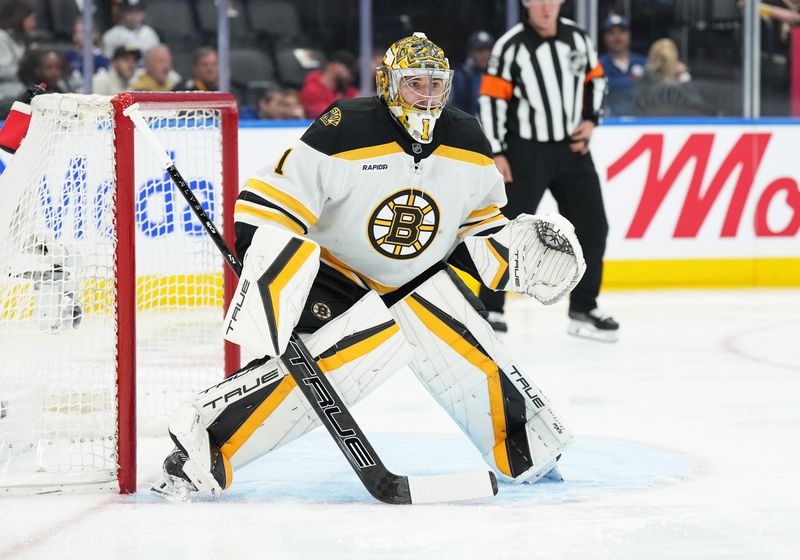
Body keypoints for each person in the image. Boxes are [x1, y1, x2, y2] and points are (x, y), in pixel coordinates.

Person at [152, 32, 581, 499]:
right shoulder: (344, 128)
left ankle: (523, 446)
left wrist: (514, 251)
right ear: (389, 85)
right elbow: (269, 205)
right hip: (335, 276)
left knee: (460, 333)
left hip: (414, 276)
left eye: (437, 85)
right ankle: (206, 445)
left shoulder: (467, 139)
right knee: (356, 354)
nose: (427, 96)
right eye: (415, 83)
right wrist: (273, 270)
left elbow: (478, 222)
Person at [478, 0, 619, 341]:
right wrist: (497, 151)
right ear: (526, 3)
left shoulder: (578, 39)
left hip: (572, 148)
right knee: (508, 230)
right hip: (525, 150)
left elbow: (596, 80)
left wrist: (591, 120)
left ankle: (584, 309)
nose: (545, 6)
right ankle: (491, 309)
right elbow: (492, 99)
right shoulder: (510, 45)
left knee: (593, 225)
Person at [632, 38, 709, 116]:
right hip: (650, 122)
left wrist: (684, 78)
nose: (664, 64)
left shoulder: (681, 81)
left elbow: (698, 105)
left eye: (667, 60)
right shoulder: (644, 81)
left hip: (677, 122)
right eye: (661, 60)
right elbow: (635, 106)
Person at [598, 14, 646, 117]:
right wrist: (634, 82)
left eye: (622, 32)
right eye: (612, 33)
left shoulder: (643, 62)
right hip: (610, 122)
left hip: (642, 120)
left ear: (629, 36)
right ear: (604, 38)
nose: (617, 37)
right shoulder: (598, 65)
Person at [299, 50, 358, 118]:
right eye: (349, 71)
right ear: (334, 66)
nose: (350, 77)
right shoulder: (312, 89)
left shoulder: (345, 89)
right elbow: (326, 116)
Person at [450, 30, 494, 117]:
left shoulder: (496, 74)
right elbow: (455, 108)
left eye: (487, 50)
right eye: (480, 50)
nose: (485, 55)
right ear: (471, 52)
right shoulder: (461, 75)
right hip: (469, 125)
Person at [0, 0, 36, 99]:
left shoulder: (20, 40)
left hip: (20, 91)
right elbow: (2, 71)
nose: (34, 24)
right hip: (5, 95)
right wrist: (25, 65)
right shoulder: (2, 37)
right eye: (31, 20)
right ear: (20, 18)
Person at [64, 17, 110, 93]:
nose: (78, 36)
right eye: (76, 32)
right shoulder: (70, 55)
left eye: (82, 32)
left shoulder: (100, 57)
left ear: (94, 35)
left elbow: (102, 81)